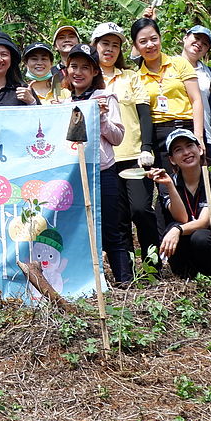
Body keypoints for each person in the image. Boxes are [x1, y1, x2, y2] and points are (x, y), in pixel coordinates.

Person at [63, 44, 128, 282]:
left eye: (85, 68)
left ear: (94, 72)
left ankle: (124, 280)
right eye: (73, 66)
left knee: (111, 228)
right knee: (76, 228)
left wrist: (101, 118)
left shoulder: (106, 98)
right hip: (72, 173)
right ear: (66, 70)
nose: (78, 72)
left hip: (103, 171)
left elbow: (118, 138)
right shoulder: (62, 102)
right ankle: (83, 280)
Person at [94, 22, 154, 273]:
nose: (109, 50)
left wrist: (147, 147)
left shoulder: (131, 76)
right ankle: (126, 270)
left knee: (141, 209)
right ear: (94, 45)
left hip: (133, 154)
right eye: (104, 44)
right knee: (117, 219)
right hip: (104, 159)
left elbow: (144, 112)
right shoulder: (86, 76)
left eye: (115, 45)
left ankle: (152, 264)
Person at [150, 127, 211, 280]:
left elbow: (204, 222)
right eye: (178, 150)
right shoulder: (167, 183)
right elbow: (182, 218)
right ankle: (186, 277)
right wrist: (170, 186)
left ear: (199, 149)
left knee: (198, 236)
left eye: (190, 146)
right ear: (172, 159)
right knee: (172, 226)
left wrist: (177, 230)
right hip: (186, 252)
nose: (186, 152)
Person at [127, 17, 203, 162]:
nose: (150, 45)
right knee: (166, 183)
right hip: (158, 135)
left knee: (194, 181)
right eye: (143, 42)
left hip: (187, 129)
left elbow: (196, 100)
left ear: (160, 38)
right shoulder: (136, 77)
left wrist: (198, 135)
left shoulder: (179, 63)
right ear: (135, 46)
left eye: (154, 39)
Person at [180, 25, 211, 181]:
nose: (199, 44)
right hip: (177, 130)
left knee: (207, 179)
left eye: (205, 43)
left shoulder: (209, 74)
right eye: (196, 38)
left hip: (205, 134)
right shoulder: (168, 65)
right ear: (185, 37)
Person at [16, 40, 67, 105]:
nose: (39, 63)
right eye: (34, 59)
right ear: (26, 63)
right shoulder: (20, 92)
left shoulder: (63, 92)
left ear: (51, 63)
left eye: (44, 59)